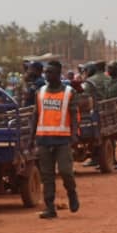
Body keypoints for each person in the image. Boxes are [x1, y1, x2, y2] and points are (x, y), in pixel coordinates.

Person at [32, 61, 79, 219]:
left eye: (50, 72)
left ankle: (71, 193)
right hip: (44, 139)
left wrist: (74, 134)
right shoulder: (40, 92)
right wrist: (32, 138)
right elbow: (35, 116)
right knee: (47, 176)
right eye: (46, 72)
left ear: (58, 74)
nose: (47, 75)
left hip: (63, 140)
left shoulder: (69, 92)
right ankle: (50, 207)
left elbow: (74, 115)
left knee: (66, 171)